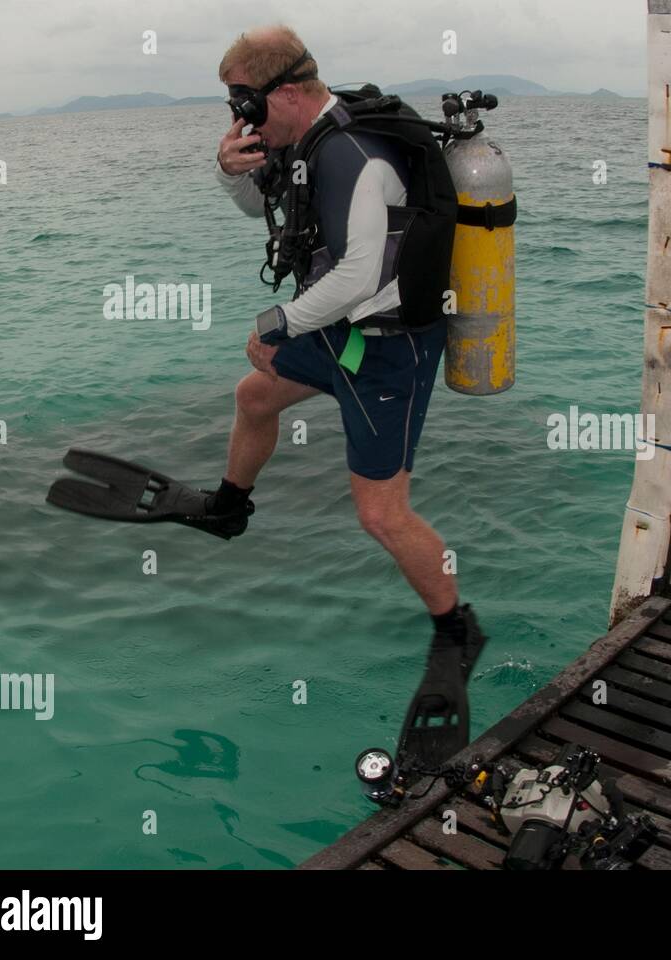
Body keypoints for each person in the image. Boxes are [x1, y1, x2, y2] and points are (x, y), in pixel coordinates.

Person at [214, 25, 483, 764]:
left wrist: (277, 322)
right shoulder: (302, 144)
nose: (240, 116)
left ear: (288, 92)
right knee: (255, 396)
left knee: (381, 512)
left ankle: (458, 627)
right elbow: (255, 208)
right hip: (341, 333)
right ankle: (230, 506)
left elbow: (362, 274)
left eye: (245, 101)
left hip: (389, 350)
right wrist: (227, 168)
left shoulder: (354, 157)